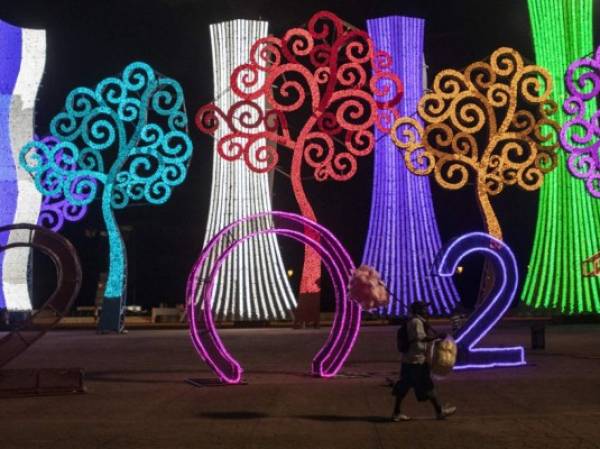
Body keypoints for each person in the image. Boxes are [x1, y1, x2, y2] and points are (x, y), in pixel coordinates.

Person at [392, 301, 456, 422]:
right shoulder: (416, 322)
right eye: (424, 309)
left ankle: (396, 412)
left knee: (404, 386)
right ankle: (439, 411)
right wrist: (438, 337)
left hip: (409, 360)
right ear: (419, 310)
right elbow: (420, 338)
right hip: (416, 360)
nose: (427, 311)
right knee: (427, 385)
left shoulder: (417, 320)